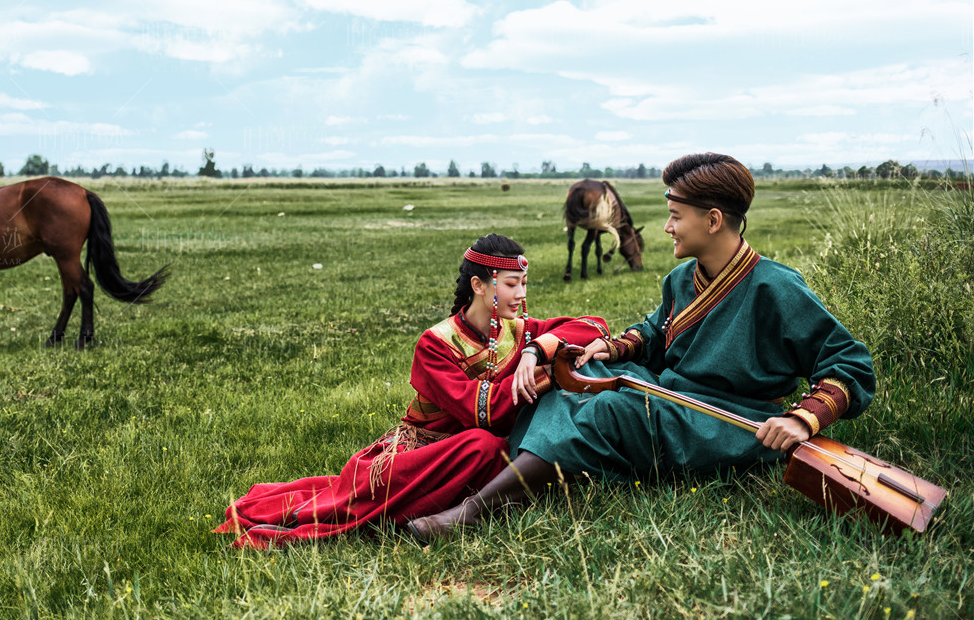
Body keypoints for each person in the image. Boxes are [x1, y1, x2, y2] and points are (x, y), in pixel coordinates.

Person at [408, 153, 876, 541]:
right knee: (574, 378)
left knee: (610, 411)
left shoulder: (776, 288)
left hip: (727, 420)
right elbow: (652, 334)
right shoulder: (681, 280)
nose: (668, 228)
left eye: (676, 216)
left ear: (713, 220)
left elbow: (850, 363)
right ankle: (530, 472)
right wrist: (609, 350)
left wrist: (801, 419)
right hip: (670, 394)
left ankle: (476, 508)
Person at [214, 234, 614, 548]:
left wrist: (536, 349)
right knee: (485, 445)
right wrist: (552, 372)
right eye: (512, 284)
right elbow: (484, 413)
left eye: (525, 283)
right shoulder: (435, 343)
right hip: (417, 451)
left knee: (496, 446)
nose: (522, 294)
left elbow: (594, 324)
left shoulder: (519, 330)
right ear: (479, 285)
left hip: (473, 446)